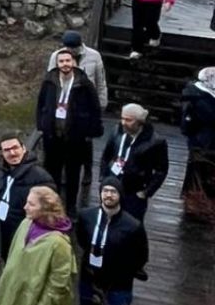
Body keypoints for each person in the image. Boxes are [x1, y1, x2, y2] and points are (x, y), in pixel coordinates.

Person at [68, 177, 148, 305]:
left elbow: (141, 256)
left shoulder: (133, 225)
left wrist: (122, 271)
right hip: (89, 281)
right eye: (105, 191)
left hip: (118, 286)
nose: (109, 195)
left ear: (120, 195)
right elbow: (83, 241)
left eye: (113, 191)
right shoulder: (86, 216)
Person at [36, 49, 104, 212]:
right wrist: (41, 125)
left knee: (73, 174)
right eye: (61, 61)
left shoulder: (84, 84)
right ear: (57, 63)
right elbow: (41, 104)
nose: (65, 64)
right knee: (53, 173)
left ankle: (71, 207)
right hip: (53, 136)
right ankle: (53, 206)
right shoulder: (49, 81)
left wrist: (91, 131)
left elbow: (95, 108)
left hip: (75, 137)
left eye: (68, 60)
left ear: (73, 62)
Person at [99, 103, 168, 222]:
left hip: (135, 191)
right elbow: (106, 156)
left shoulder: (156, 142)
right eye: (122, 118)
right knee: (107, 220)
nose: (123, 123)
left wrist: (146, 192)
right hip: (113, 185)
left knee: (132, 224)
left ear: (140, 122)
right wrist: (103, 178)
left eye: (128, 120)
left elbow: (161, 170)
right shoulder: (117, 131)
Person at [0, 134, 56, 259]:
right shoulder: (3, 173)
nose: (12, 153)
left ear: (24, 148)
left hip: (25, 236)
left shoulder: (40, 177)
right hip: (5, 233)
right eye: (6, 150)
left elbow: (49, 211)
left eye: (15, 148)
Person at [48, 31, 107, 110]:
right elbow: (50, 81)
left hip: (87, 101)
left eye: (74, 48)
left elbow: (100, 81)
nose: (71, 50)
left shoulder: (94, 56)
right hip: (64, 102)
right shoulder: (56, 56)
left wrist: (102, 103)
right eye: (69, 48)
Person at [180, 67, 215, 201]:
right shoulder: (199, 97)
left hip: (204, 140)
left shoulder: (199, 94)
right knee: (199, 173)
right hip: (203, 141)